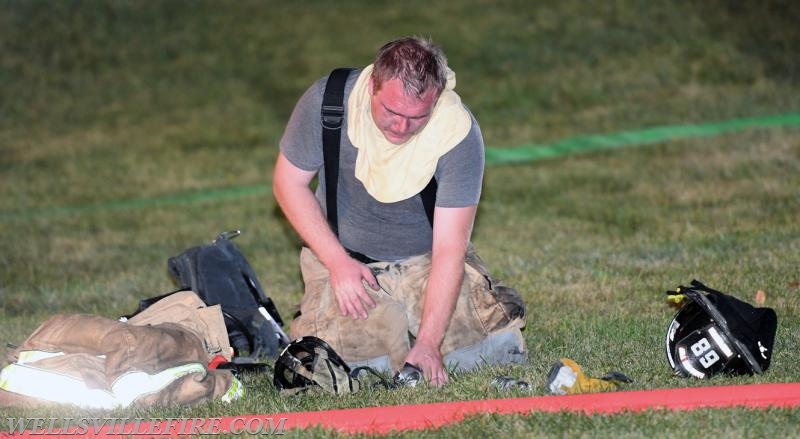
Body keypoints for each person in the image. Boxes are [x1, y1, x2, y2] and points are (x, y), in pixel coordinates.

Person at [273, 37, 526, 386]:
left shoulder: (457, 132)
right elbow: (288, 184)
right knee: (355, 367)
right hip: (347, 259)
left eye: (417, 117)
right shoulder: (327, 101)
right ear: (373, 85)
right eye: (391, 112)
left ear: (435, 101)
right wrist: (337, 262)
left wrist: (427, 343)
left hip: (426, 261)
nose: (402, 128)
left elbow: (450, 248)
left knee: (490, 349)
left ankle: (441, 319)